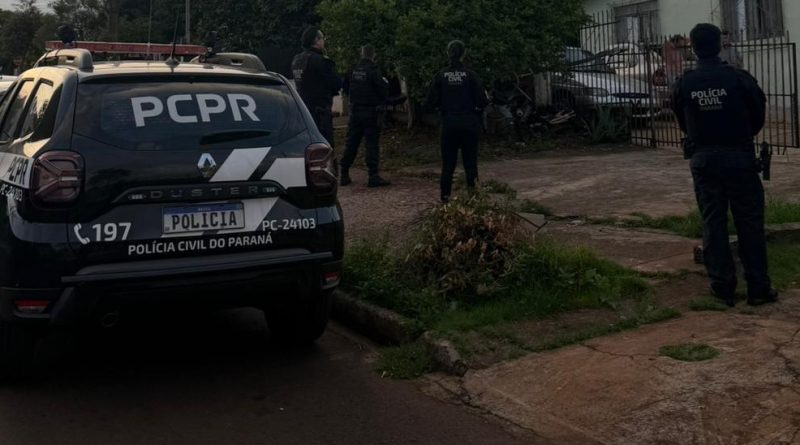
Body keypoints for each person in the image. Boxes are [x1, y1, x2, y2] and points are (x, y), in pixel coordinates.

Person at [671, 23, 777, 307]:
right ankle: (758, 288)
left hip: (704, 158)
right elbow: (757, 115)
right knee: (750, 223)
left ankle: (722, 287)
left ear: (693, 47)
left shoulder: (685, 83)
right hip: (739, 157)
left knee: (713, 222)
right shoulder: (739, 79)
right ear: (719, 45)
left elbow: (682, 119)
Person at [424, 40, 488, 203]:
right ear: (463, 54)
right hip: (468, 122)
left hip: (448, 123)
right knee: (470, 164)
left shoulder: (441, 75)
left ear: (448, 53)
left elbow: (430, 101)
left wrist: (442, 109)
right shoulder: (470, 75)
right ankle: (474, 200)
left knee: (448, 166)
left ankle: (445, 200)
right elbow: (482, 101)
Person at [340, 45, 390, 187]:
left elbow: (345, 87)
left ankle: (344, 173)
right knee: (371, 144)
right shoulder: (373, 71)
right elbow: (383, 89)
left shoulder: (353, 70)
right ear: (373, 55)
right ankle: (373, 176)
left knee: (351, 143)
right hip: (371, 112)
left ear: (362, 54)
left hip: (355, 111)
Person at [292, 27, 342, 147]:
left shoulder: (297, 60)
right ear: (316, 40)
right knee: (325, 146)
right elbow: (336, 83)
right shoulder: (320, 61)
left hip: (303, 112)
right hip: (320, 113)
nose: (324, 41)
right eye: (322, 38)